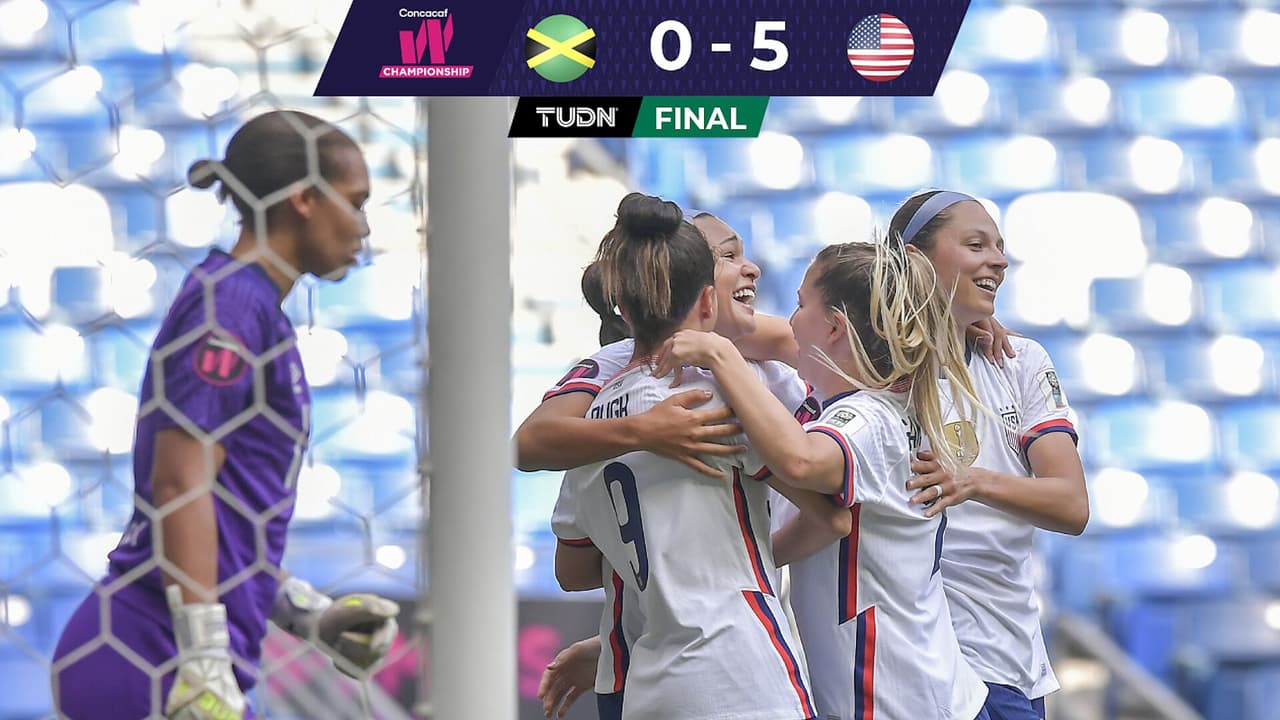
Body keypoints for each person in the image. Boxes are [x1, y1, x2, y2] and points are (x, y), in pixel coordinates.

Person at [51, 110, 400, 719]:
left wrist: (306, 612)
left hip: (172, 652)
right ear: (304, 199)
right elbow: (178, 483)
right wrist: (203, 655)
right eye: (355, 202)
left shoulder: (253, 307)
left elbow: (225, 507)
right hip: (150, 654)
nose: (363, 226)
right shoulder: (230, 306)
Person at [652, 238, 992, 720]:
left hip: (898, 699)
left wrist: (720, 356)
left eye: (799, 305)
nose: (789, 321)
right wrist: (746, 565)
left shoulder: (869, 418)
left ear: (834, 327)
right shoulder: (869, 400)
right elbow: (827, 524)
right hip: (921, 689)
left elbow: (801, 462)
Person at [552, 192, 848, 720]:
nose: (749, 267)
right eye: (729, 255)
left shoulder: (589, 427)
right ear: (708, 302)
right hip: (741, 670)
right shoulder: (716, 398)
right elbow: (832, 514)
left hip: (648, 681)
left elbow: (572, 568)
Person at [891, 190, 1088, 720]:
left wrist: (974, 481)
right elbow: (785, 332)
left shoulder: (1019, 359)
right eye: (976, 245)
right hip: (926, 663)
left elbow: (1072, 506)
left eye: (999, 247)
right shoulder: (874, 368)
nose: (998, 261)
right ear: (915, 260)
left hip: (1010, 659)